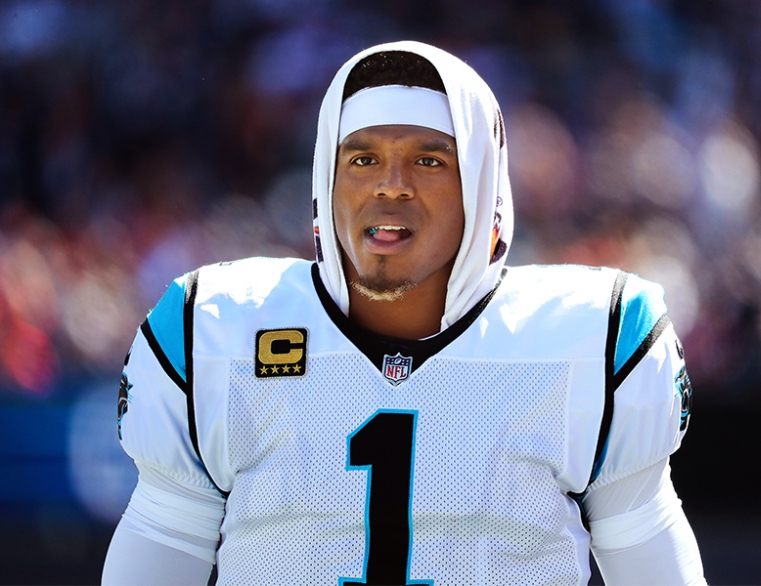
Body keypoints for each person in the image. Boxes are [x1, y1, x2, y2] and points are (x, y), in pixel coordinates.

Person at [102, 41, 705, 585]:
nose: (391, 185)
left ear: (483, 187)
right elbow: (165, 535)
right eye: (362, 159)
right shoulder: (214, 327)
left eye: (429, 160)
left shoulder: (592, 338)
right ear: (325, 179)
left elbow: (644, 548)